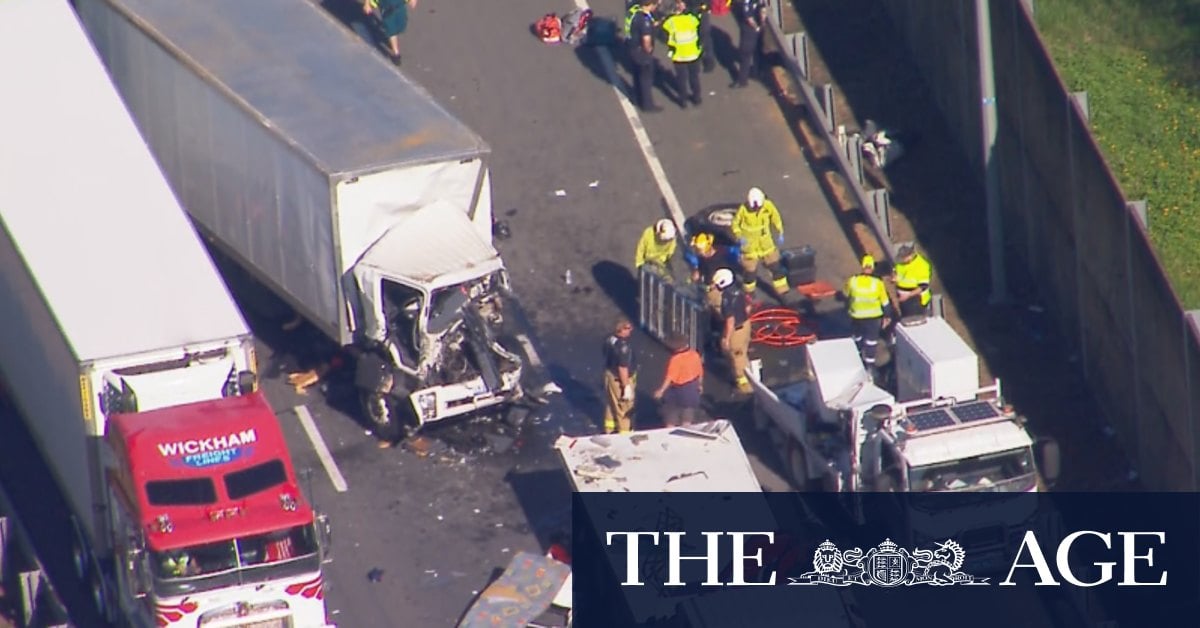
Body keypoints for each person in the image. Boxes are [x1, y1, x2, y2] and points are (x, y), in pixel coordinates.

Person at [732, 187, 788, 296]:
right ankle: (749, 293)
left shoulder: (768, 206)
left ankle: (783, 291)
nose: (756, 209)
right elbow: (735, 224)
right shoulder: (743, 210)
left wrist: (780, 230)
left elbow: (775, 217)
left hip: (765, 243)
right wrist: (739, 236)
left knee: (775, 267)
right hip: (750, 246)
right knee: (750, 274)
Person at [845, 255, 890, 372]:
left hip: (857, 316)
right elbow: (885, 303)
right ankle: (869, 367)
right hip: (873, 318)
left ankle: (858, 358)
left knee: (858, 337)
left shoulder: (852, 281)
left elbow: (846, 294)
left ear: (862, 266)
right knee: (871, 342)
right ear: (872, 268)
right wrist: (887, 316)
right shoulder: (877, 283)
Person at [714, 269, 754, 394]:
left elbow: (730, 321)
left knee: (737, 360)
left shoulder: (727, 298)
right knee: (743, 354)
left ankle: (744, 387)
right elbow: (748, 306)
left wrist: (726, 338)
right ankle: (750, 379)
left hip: (736, 331)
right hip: (746, 325)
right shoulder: (739, 290)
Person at [653, 333, 704, 427]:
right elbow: (700, 372)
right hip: (692, 389)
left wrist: (661, 390)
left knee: (671, 417)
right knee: (687, 416)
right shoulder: (694, 354)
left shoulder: (675, 359)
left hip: (678, 391)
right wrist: (700, 385)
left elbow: (670, 377)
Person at [685, 232, 740, 313]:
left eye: (697, 249)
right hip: (727, 287)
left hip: (719, 292)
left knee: (717, 311)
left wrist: (700, 280)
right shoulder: (717, 252)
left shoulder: (712, 266)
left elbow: (709, 283)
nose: (696, 251)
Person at [662, 0, 703, 107]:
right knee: (694, 77)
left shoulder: (670, 22)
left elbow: (663, 33)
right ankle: (697, 98)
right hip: (693, 54)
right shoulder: (691, 19)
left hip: (679, 56)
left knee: (681, 79)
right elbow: (699, 26)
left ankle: (683, 101)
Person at [602, 318, 638, 433]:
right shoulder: (623, 347)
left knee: (611, 404)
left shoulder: (609, 339)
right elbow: (623, 368)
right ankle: (624, 435)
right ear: (620, 329)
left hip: (609, 375)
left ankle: (609, 429)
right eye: (627, 328)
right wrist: (626, 386)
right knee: (624, 409)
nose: (630, 330)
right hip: (620, 380)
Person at [626, 0, 663, 112]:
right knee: (646, 78)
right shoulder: (644, 20)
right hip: (641, 52)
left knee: (637, 75)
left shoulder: (634, 10)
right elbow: (646, 38)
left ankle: (636, 98)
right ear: (650, 4)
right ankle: (647, 105)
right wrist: (649, 49)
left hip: (632, 47)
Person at [364, 0, 417, 66]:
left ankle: (392, 41)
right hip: (387, 10)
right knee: (391, 31)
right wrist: (367, 4)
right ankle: (396, 54)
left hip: (399, 6)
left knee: (401, 27)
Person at [731, 0, 766, 88]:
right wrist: (762, 23)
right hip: (759, 28)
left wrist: (756, 27)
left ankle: (742, 80)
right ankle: (757, 71)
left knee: (745, 54)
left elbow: (749, 18)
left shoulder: (746, 3)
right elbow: (763, 10)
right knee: (757, 50)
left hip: (749, 30)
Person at [891, 243, 932, 318]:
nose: (902, 260)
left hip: (916, 300)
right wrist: (894, 278)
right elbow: (896, 272)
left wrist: (908, 295)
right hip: (903, 300)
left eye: (904, 258)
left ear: (910, 256)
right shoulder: (901, 263)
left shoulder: (922, 265)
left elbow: (923, 286)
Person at [687, 0, 717, 73]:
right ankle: (694, 60)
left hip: (701, 8)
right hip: (689, 8)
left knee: (704, 35)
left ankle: (709, 60)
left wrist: (707, 6)